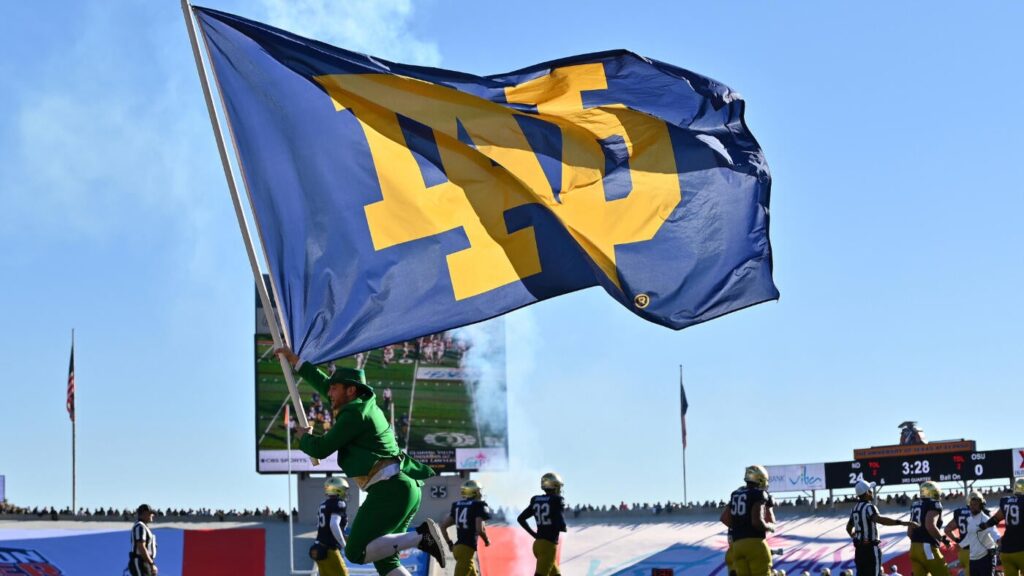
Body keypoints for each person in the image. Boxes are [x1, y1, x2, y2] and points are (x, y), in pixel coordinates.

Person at [277, 346, 448, 576]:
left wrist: (303, 437)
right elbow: (324, 383)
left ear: (351, 390)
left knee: (356, 552)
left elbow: (322, 447)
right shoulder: (360, 406)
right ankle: (419, 537)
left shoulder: (354, 414)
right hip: (402, 486)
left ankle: (421, 536)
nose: (329, 393)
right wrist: (296, 362)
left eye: (334, 389)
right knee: (386, 560)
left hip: (390, 489)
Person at [846, 480, 917, 576]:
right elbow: (879, 520)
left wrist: (854, 536)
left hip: (859, 550)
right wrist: (902, 522)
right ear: (866, 492)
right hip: (870, 549)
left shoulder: (855, 508)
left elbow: (848, 528)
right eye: (870, 490)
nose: (872, 492)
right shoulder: (869, 507)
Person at [721, 465, 776, 576]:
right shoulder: (759, 493)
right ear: (760, 480)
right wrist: (770, 526)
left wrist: (740, 526)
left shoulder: (736, 494)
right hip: (755, 544)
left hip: (737, 547)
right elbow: (757, 522)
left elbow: (724, 518)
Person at [518, 472, 567, 576]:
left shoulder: (536, 499)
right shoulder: (557, 500)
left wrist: (534, 534)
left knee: (556, 574)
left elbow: (521, 518)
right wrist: (563, 527)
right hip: (548, 545)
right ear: (554, 486)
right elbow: (560, 523)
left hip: (538, 544)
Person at [441, 479, 492, 576]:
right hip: (466, 549)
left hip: (457, 547)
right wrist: (486, 540)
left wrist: (449, 543)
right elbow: (479, 529)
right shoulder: (479, 505)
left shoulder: (457, 505)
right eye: (479, 490)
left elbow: (443, 526)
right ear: (474, 492)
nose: (480, 493)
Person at [979, 477, 1024, 576]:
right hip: (1022, 548)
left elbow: (995, 519)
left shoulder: (1006, 501)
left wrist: (984, 526)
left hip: (1006, 550)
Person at [309, 477, 350, 576]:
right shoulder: (339, 503)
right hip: (330, 549)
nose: (346, 492)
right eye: (344, 489)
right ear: (338, 489)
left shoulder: (323, 504)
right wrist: (344, 545)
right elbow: (333, 524)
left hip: (318, 547)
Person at [908, 481, 950, 576]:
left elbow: (909, 531)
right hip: (927, 548)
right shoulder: (934, 504)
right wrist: (943, 539)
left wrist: (917, 542)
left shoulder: (915, 505)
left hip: (913, 548)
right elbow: (930, 525)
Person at [960, 491, 1000, 576]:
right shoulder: (969, 520)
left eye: (975, 504)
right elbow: (970, 536)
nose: (972, 507)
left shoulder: (985, 519)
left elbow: (995, 533)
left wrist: (999, 544)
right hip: (973, 558)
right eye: (971, 504)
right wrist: (960, 544)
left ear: (981, 505)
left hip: (986, 558)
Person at [945, 497, 974, 576]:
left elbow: (947, 529)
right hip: (974, 552)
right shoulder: (978, 513)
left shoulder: (960, 512)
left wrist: (957, 540)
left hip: (962, 552)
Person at [128, 504, 157, 576]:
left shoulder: (143, 526)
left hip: (145, 562)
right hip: (140, 561)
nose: (152, 515)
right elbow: (141, 546)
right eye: (150, 513)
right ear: (144, 513)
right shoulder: (140, 526)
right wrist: (151, 563)